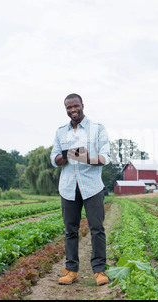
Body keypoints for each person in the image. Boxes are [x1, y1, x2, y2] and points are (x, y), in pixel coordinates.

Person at [50, 93, 111, 286]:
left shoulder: (98, 129)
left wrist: (81, 157)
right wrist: (73, 153)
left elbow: (104, 158)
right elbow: (54, 160)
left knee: (97, 229)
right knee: (70, 231)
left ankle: (99, 271)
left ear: (82, 105)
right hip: (68, 187)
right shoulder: (60, 132)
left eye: (75, 106)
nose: (72, 110)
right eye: (68, 107)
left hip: (92, 187)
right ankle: (71, 271)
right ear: (65, 109)